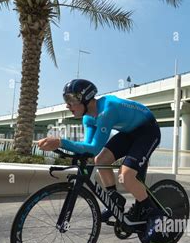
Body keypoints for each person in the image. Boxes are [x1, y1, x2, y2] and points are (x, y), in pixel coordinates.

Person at [38, 78, 162, 226]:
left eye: (70, 99)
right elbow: (88, 146)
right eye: (66, 99)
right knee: (100, 160)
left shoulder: (107, 111)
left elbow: (95, 147)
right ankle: (114, 199)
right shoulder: (88, 118)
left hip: (148, 131)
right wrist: (62, 145)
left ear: (86, 98)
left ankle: (154, 214)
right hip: (128, 133)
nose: (67, 105)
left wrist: (60, 142)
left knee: (126, 175)